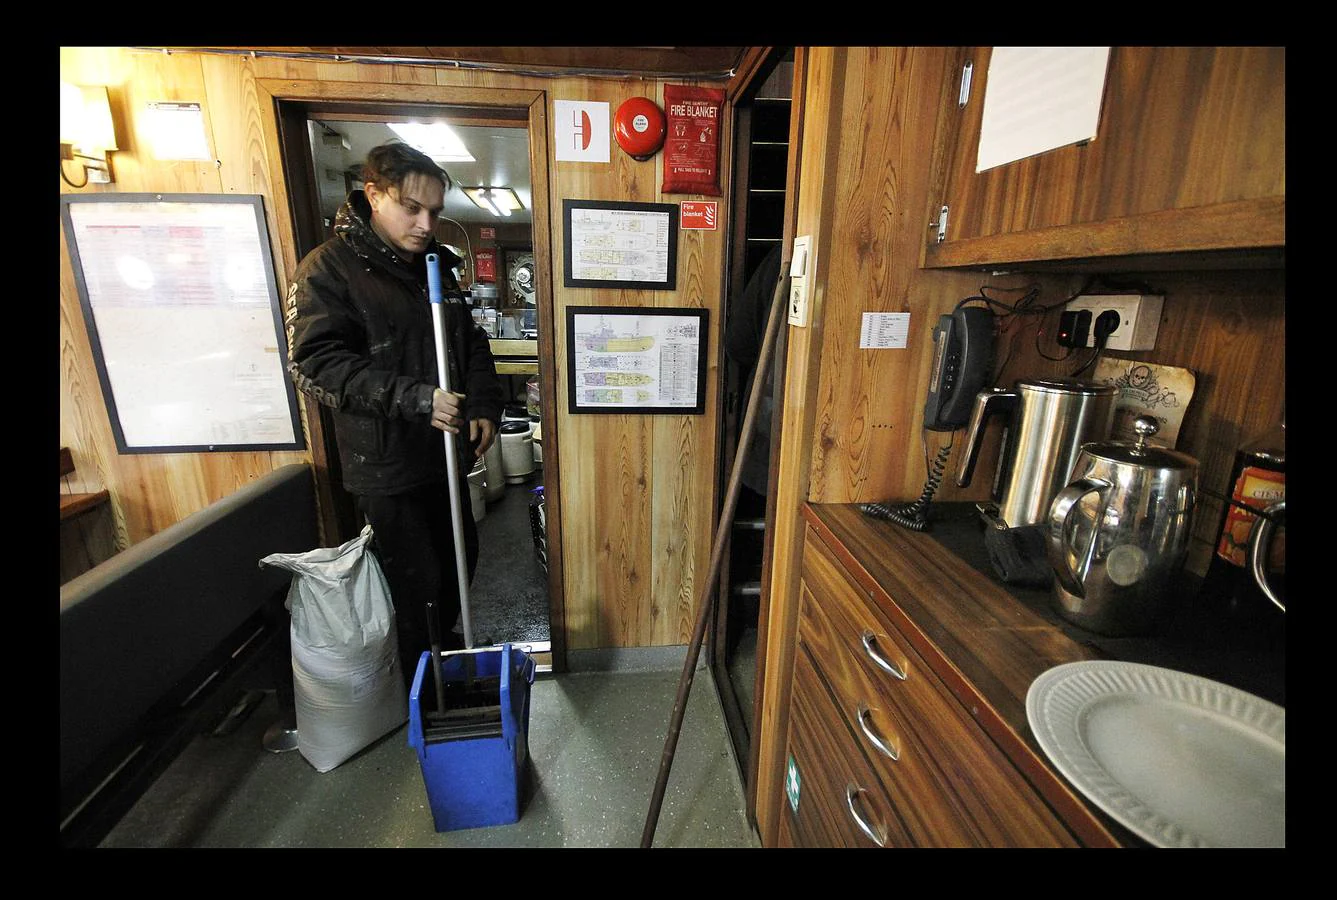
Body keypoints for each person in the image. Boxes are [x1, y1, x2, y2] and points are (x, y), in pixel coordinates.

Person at [285, 141, 505, 689]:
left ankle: (440, 656)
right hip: (386, 465)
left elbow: (471, 342)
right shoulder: (329, 270)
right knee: (415, 584)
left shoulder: (435, 268)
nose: (425, 223)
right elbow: (316, 364)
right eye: (411, 208)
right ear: (374, 195)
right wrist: (417, 398)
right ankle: (421, 693)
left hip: (444, 455)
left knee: (459, 562)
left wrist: (481, 403)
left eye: (434, 211)